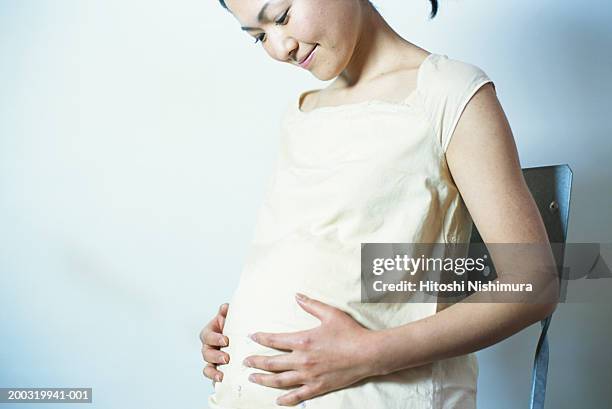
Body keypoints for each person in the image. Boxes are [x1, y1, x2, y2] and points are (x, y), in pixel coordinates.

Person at [200, 0, 559, 408]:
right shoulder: (303, 113)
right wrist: (242, 327)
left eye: (281, 16)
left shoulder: (447, 93)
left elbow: (535, 282)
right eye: (259, 36)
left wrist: (367, 354)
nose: (280, 47)